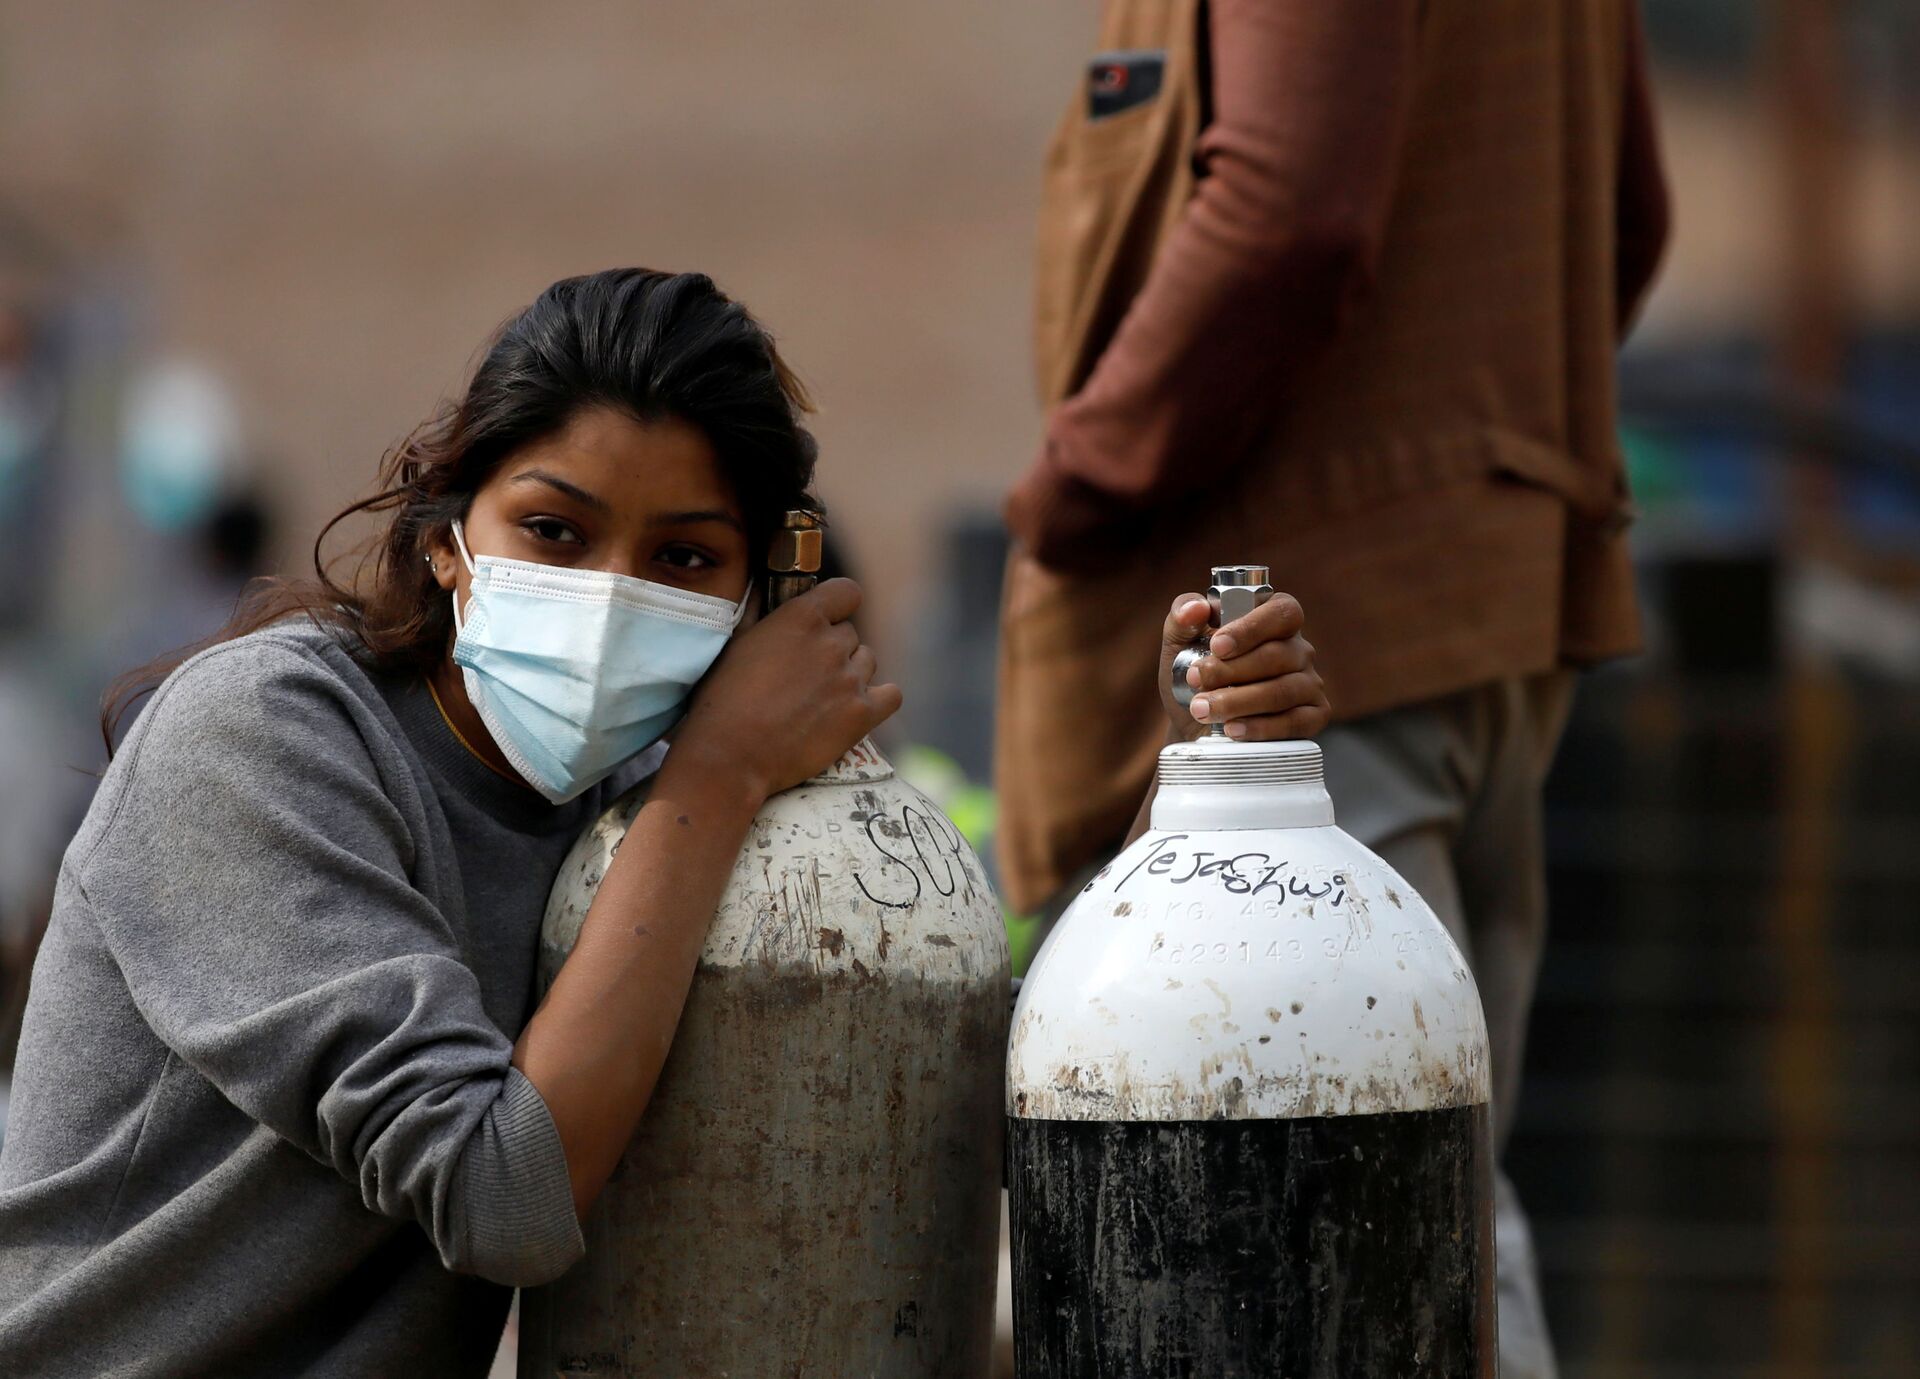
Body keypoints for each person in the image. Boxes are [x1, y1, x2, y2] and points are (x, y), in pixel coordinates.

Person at [0, 268, 1325, 1377]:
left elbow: (954, 1099)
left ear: (756, 594)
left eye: (684, 559)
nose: (609, 595)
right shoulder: (272, 737)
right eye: (555, 530)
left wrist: (1198, 788)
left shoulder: (651, 815)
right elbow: (501, 1191)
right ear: (451, 534)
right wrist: (716, 781)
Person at [995, 3, 1670, 1375]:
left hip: (1293, 671)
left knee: (1334, 1228)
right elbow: (1630, 218)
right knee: (1434, 1195)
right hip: (1483, 617)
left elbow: (1290, 211)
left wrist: (1074, 482)